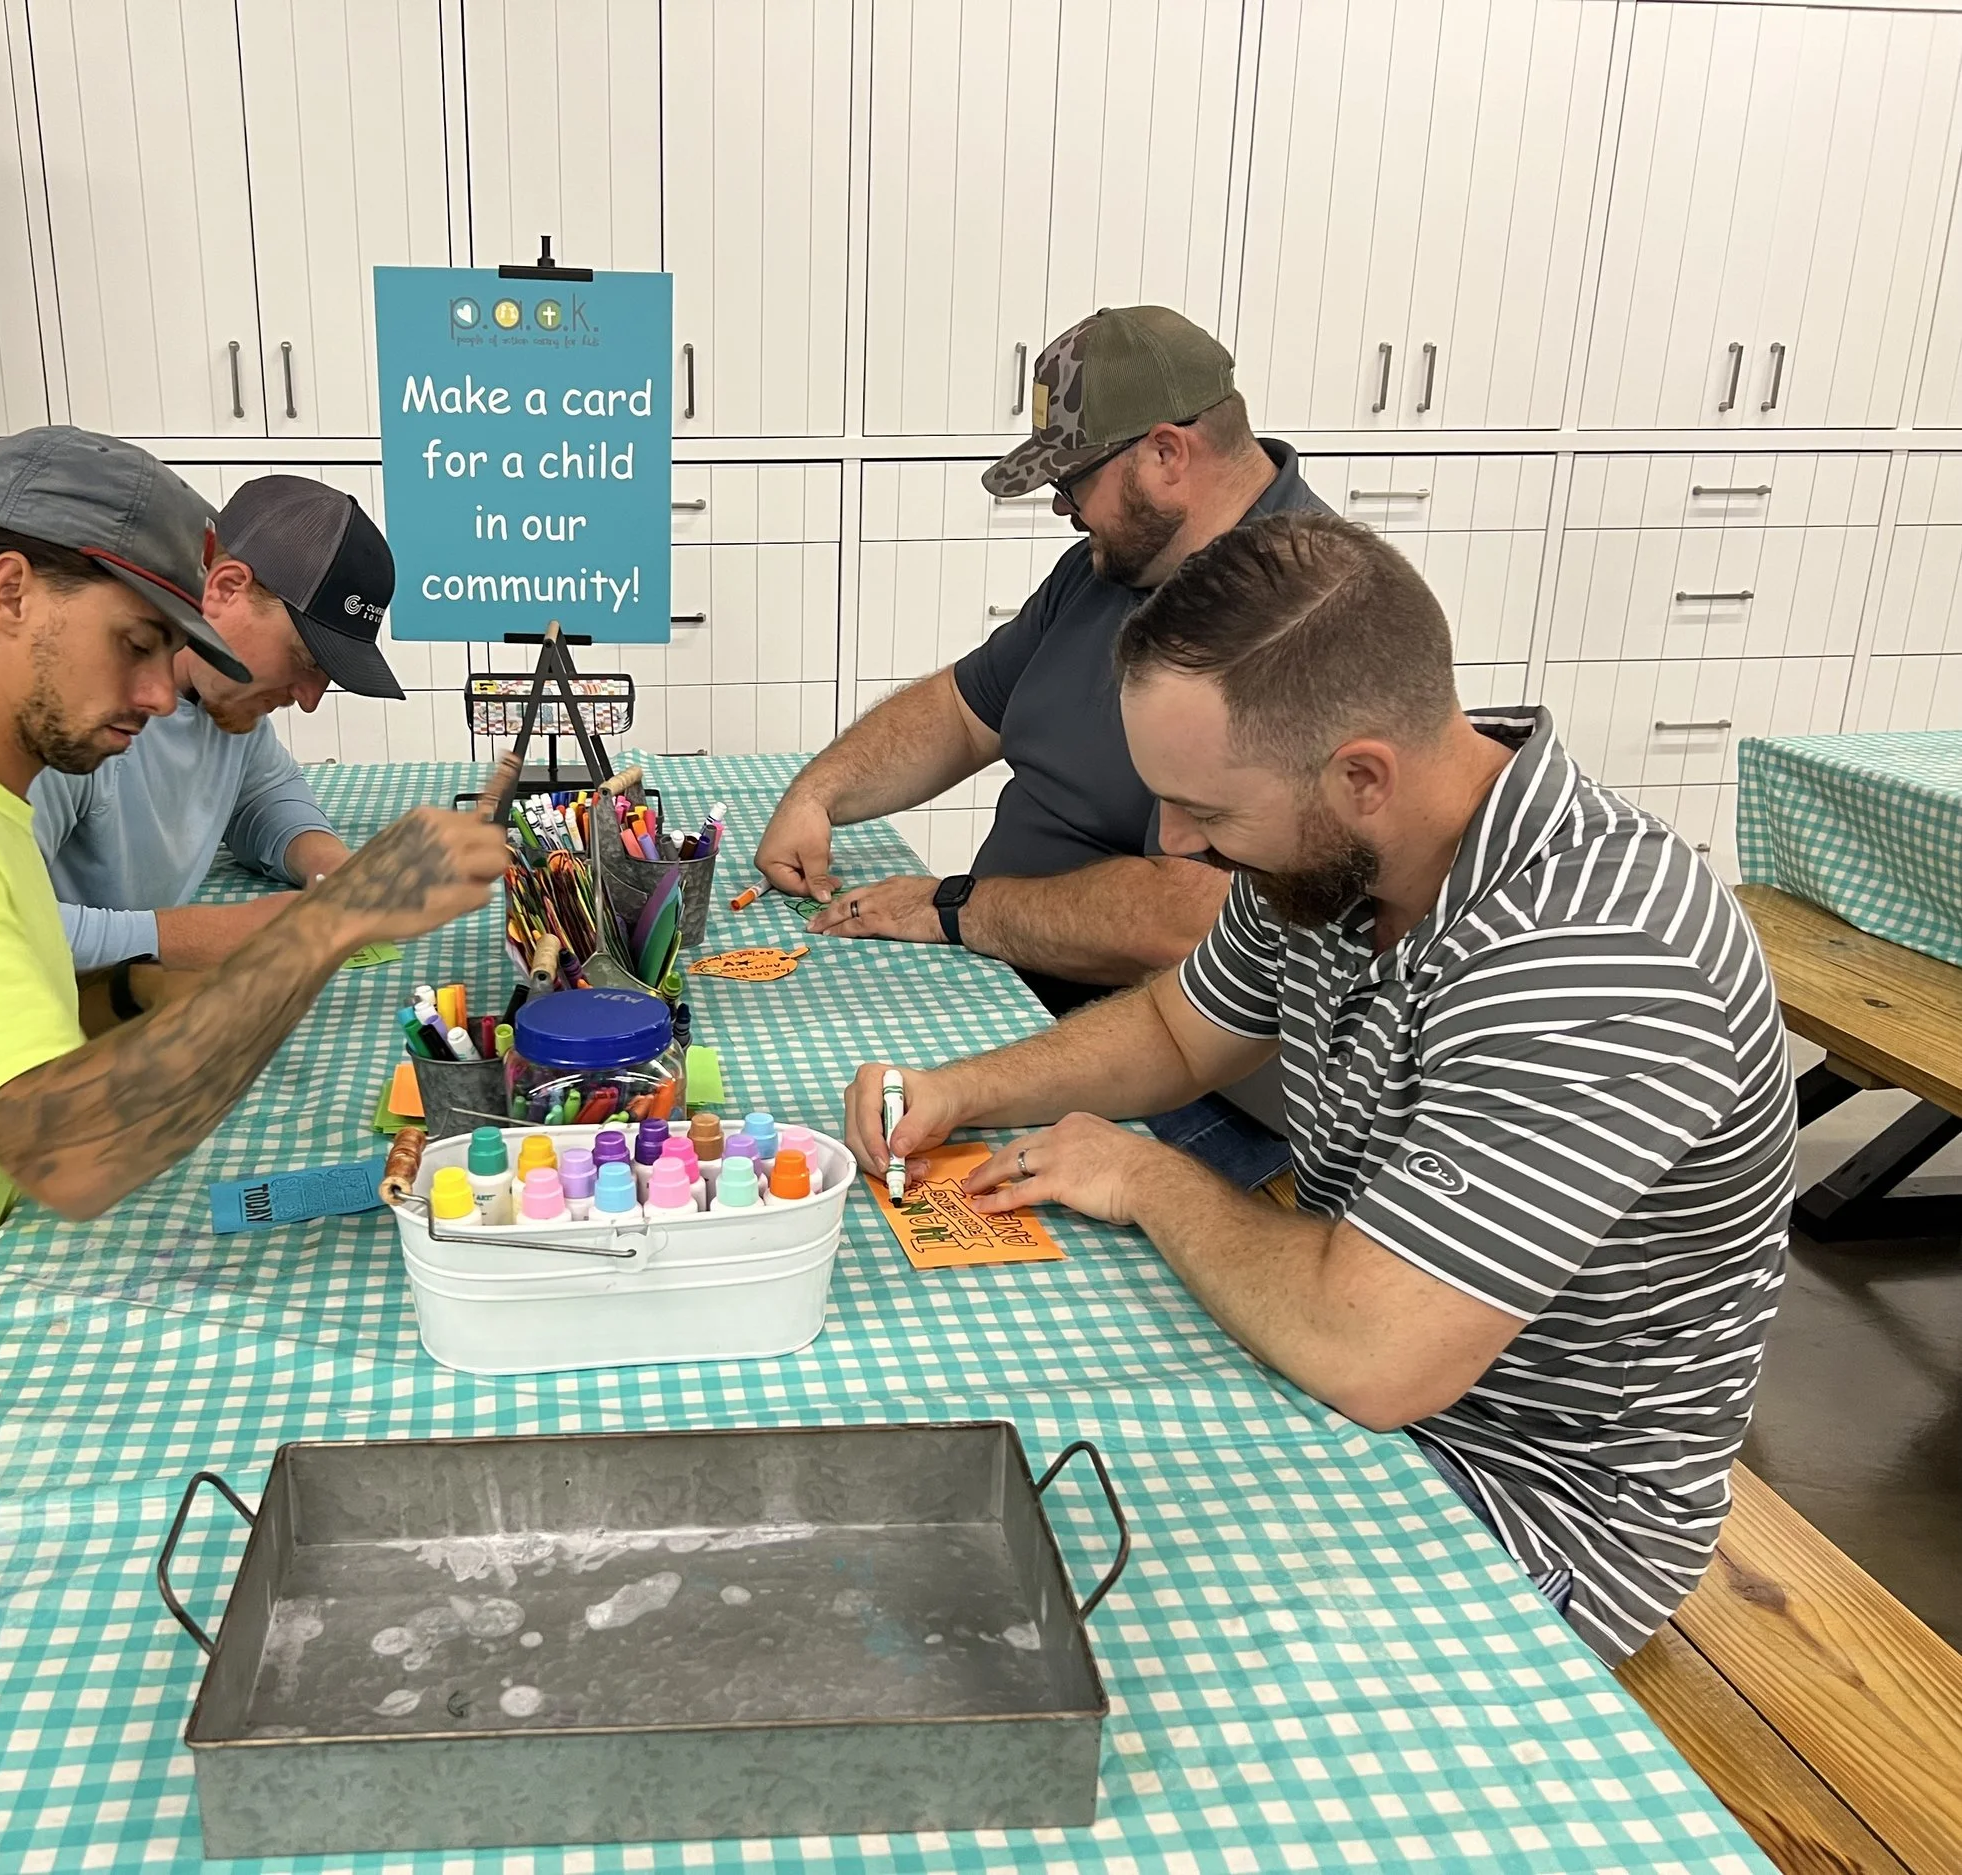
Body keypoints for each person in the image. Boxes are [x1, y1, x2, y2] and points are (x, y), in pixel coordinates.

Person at [843, 513, 1796, 1663]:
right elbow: (1177, 1030)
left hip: (1522, 1493)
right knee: (970, 1442)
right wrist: (962, 1089)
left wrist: (1148, 1175)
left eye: (1207, 812)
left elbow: (1372, 1354)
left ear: (1360, 777)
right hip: (1369, 1358)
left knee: (1068, 1638)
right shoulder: (1326, 853)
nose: (1180, 846)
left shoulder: (1596, 957)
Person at [0, 426, 507, 1576]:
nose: (165, 691)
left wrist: (170, 989)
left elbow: (56, 1017)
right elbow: (72, 1154)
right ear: (9, 592)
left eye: (175, 650)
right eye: (137, 641)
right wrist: (332, 921)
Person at [757, 305, 1332, 1017]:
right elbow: (962, 713)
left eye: (1072, 481)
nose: (1062, 506)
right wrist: (819, 793)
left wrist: (957, 907)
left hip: (1149, 1051)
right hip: (1008, 973)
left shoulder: (1307, 613)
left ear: (1166, 455)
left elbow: (1191, 917)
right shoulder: (1109, 567)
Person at [33, 474, 409, 972]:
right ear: (227, 589)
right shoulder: (75, 713)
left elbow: (262, 796)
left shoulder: (226, 704)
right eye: (305, 659)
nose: (310, 699)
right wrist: (203, 935)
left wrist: (330, 867)